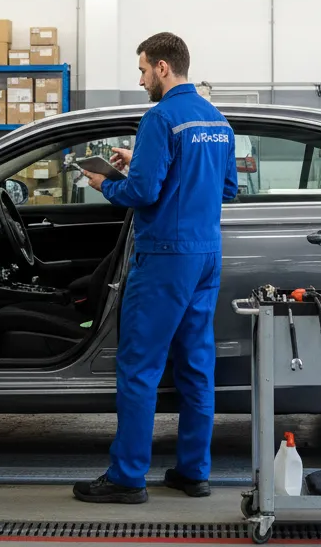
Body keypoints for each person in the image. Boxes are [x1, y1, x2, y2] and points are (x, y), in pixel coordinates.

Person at [74, 32, 238, 504]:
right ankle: (193, 472)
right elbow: (225, 188)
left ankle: (127, 478)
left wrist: (106, 182)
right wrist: (141, 162)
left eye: (143, 69)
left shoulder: (160, 117)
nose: (141, 78)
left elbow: (142, 194)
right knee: (196, 367)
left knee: (140, 368)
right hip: (206, 254)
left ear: (163, 68)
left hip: (165, 256)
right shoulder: (217, 121)